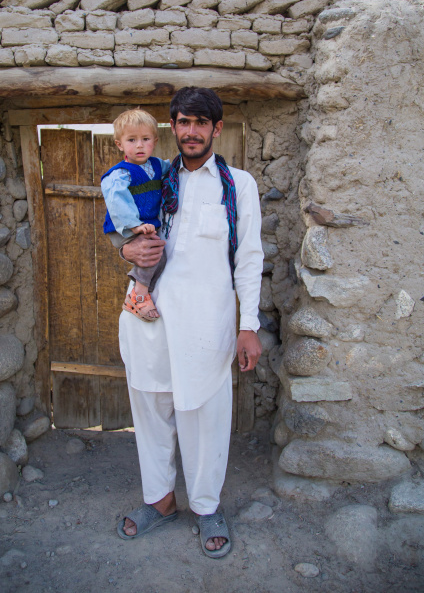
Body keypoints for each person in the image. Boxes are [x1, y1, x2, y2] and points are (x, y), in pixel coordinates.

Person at [116, 87, 264, 558]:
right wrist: (124, 250)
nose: (191, 131)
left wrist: (249, 325)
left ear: (216, 129)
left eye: (201, 123)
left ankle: (205, 507)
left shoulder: (237, 184)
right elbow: (122, 229)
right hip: (148, 317)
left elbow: (250, 257)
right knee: (151, 408)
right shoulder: (152, 178)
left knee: (205, 415)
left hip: (207, 321)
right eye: (183, 122)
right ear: (173, 127)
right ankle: (159, 502)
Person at [101, 108, 170, 322]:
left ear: (155, 141)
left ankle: (144, 290)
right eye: (132, 140)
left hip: (145, 225)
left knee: (161, 256)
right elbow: (117, 201)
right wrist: (134, 225)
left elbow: (175, 168)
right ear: (119, 144)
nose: (139, 145)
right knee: (150, 251)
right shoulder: (120, 174)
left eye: (145, 139)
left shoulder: (157, 166)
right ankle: (138, 296)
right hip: (124, 226)